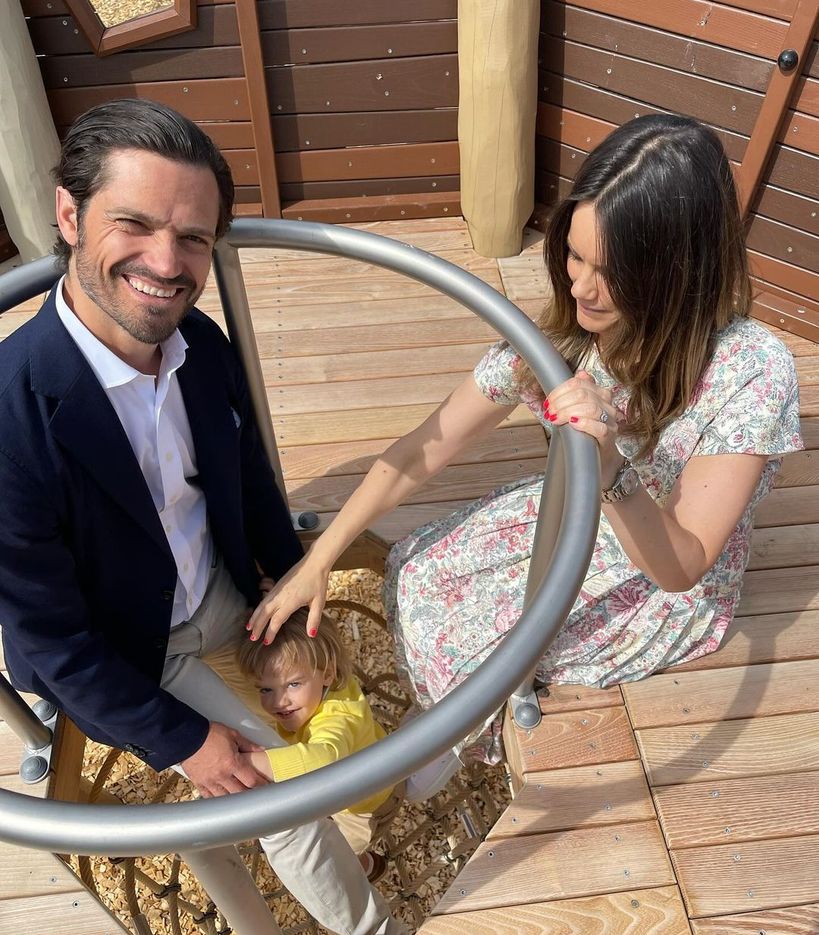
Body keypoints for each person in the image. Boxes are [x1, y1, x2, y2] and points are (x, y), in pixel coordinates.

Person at [246, 113, 803, 781]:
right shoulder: (569, 338)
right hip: (575, 507)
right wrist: (322, 558)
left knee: (478, 659)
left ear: (678, 268)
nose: (579, 287)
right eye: (573, 254)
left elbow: (683, 565)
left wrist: (608, 470)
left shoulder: (750, 370)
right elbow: (428, 444)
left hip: (657, 564)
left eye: (613, 270)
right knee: (418, 571)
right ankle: (434, 735)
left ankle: (442, 761)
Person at [0, 98, 406, 935]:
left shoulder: (202, 348)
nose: (165, 262)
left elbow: (249, 481)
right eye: (135, 225)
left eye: (192, 238)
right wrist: (186, 741)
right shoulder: (12, 416)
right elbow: (55, 638)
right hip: (130, 642)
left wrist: (289, 575)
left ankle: (372, 796)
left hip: (217, 583)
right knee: (268, 786)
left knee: (328, 678)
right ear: (68, 214)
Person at [237, 609, 402, 882]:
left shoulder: (337, 718)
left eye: (293, 684)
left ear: (328, 673)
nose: (279, 702)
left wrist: (247, 763)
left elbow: (325, 758)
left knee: (332, 867)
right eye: (265, 689)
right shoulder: (321, 683)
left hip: (367, 807)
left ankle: (366, 866)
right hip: (356, 776)